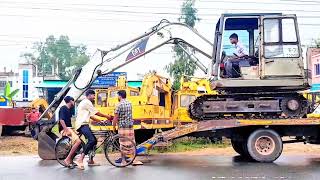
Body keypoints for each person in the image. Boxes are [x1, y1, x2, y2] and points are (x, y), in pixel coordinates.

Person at [74, 89, 112, 170]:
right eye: (93, 95)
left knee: (94, 141)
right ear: (89, 95)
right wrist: (107, 116)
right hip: (82, 124)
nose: (94, 97)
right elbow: (96, 112)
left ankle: (90, 160)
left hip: (84, 124)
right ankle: (80, 160)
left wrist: (100, 121)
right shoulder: (87, 102)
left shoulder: (85, 102)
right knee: (91, 140)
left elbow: (90, 115)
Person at [112, 90, 140, 165]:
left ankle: (123, 161)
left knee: (123, 143)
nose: (117, 97)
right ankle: (133, 160)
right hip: (130, 126)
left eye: (117, 95)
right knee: (132, 142)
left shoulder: (119, 105)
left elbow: (116, 117)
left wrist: (113, 126)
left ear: (120, 96)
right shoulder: (130, 103)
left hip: (122, 127)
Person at [58, 96, 81, 167]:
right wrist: (66, 130)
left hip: (69, 128)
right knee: (78, 142)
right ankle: (67, 159)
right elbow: (61, 120)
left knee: (80, 143)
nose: (74, 102)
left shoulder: (69, 109)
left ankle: (71, 160)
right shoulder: (63, 108)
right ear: (71, 101)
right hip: (65, 129)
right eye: (73, 101)